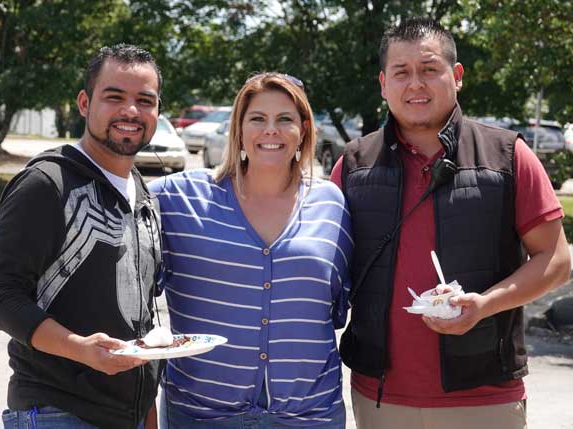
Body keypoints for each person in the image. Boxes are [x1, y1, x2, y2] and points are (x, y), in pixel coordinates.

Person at [330, 17, 571, 429]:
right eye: (401, 73)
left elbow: (556, 260)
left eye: (429, 70)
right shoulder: (353, 164)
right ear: (383, 83)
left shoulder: (508, 155)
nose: (415, 84)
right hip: (380, 398)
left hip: (485, 397)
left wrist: (484, 306)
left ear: (456, 76)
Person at [149, 72, 353, 428]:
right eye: (257, 118)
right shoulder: (178, 197)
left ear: (303, 129)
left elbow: (335, 304)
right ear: (239, 130)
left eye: (285, 119)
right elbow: (112, 195)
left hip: (309, 416)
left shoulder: (331, 203)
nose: (270, 130)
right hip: (201, 415)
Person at [0, 44, 164, 429]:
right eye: (115, 97)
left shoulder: (143, 194)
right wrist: (79, 349)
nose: (131, 111)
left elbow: (139, 318)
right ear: (84, 102)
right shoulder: (47, 183)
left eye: (144, 100)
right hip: (56, 413)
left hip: (126, 417)